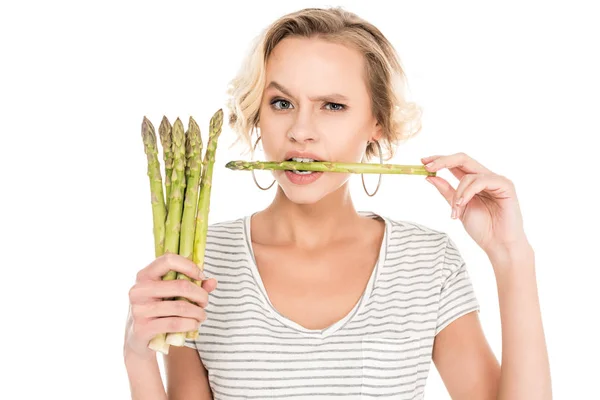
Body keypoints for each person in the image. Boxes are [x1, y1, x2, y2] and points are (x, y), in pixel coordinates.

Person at [124, 7, 552, 399]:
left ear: (377, 125)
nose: (301, 131)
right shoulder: (200, 262)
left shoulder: (428, 262)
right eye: (281, 103)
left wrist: (511, 255)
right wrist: (138, 356)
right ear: (258, 115)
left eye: (332, 105)